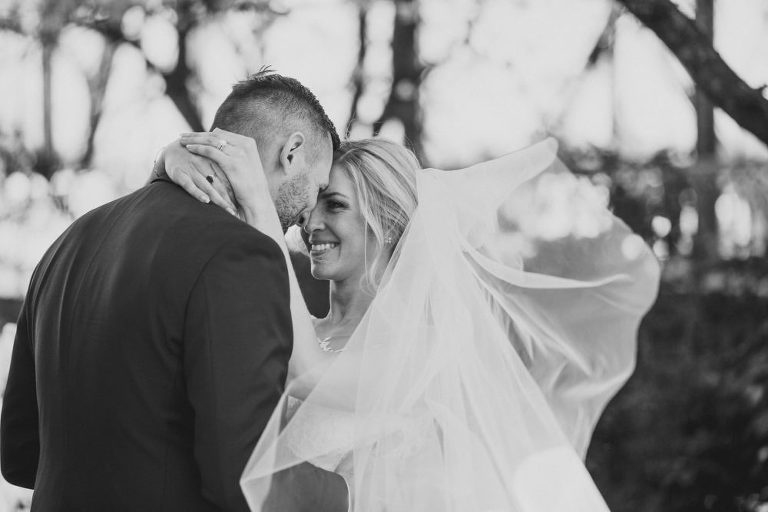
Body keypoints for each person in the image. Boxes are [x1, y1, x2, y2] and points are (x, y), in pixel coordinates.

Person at [161, 131, 661, 511]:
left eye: (335, 206)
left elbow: (308, 373)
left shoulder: (424, 346)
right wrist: (167, 167)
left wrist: (259, 209)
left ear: (389, 221)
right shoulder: (304, 332)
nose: (310, 225)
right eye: (311, 207)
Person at [0, 70, 342, 511]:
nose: (309, 213)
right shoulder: (240, 256)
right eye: (317, 188)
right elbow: (243, 477)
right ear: (291, 152)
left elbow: (20, 453)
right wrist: (351, 492)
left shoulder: (67, 243)